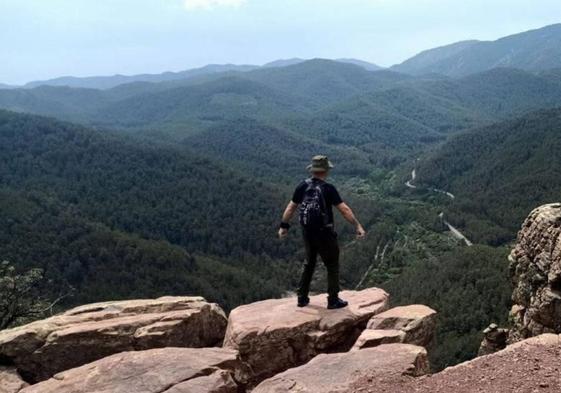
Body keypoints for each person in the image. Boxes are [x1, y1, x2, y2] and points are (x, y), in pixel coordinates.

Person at [278, 155, 366, 309]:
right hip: (324, 233)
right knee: (332, 264)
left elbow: (291, 207)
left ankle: (302, 297)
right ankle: (333, 300)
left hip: (307, 231)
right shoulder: (328, 189)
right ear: (326, 171)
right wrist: (357, 225)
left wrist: (284, 226)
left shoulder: (302, 186)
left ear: (312, 170)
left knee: (309, 263)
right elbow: (344, 209)